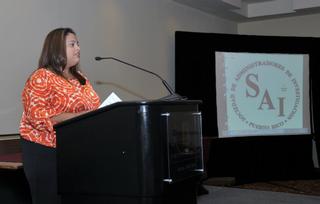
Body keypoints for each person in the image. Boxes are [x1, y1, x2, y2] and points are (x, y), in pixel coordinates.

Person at [19, 28, 101, 204]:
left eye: (78, 44)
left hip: (75, 150)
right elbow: (38, 117)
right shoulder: (41, 77)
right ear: (56, 48)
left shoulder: (80, 78)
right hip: (46, 151)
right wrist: (84, 115)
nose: (78, 48)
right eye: (72, 44)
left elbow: (94, 108)